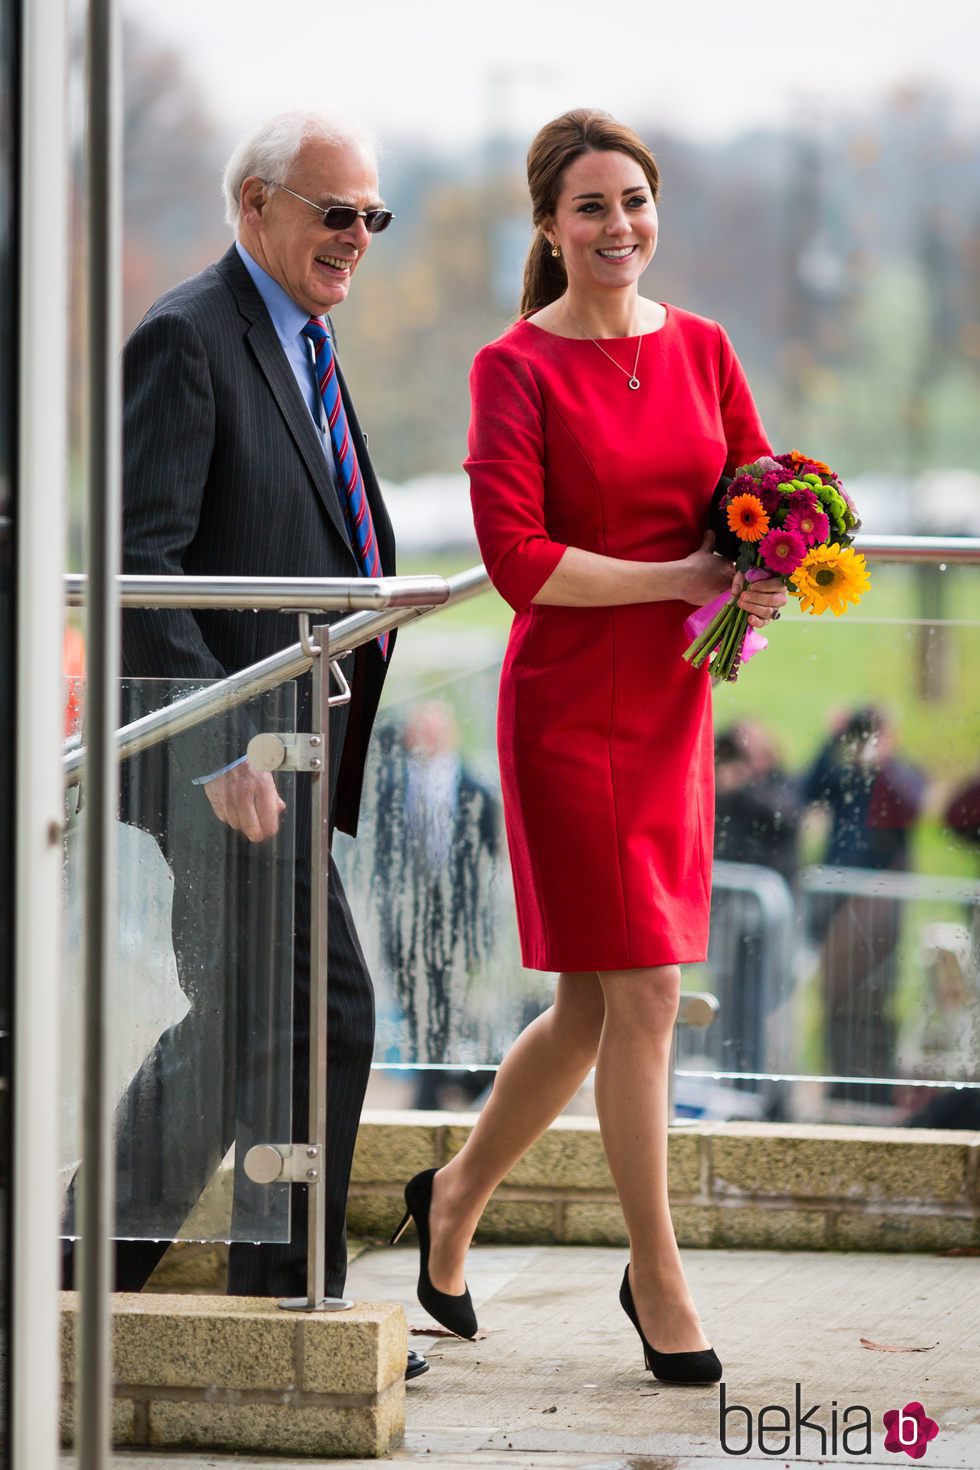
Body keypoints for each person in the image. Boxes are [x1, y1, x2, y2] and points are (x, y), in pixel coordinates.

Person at [388, 109, 786, 1383]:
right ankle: (655, 1274)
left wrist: (772, 573)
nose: (618, 227)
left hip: (670, 703)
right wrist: (681, 573)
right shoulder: (511, 367)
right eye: (590, 208)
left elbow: (761, 495)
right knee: (649, 990)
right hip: (564, 710)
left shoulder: (707, 349)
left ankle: (448, 1199)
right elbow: (516, 561)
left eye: (633, 201)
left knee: (585, 1010)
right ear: (549, 229)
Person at [63, 110, 426, 1379]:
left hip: (286, 757)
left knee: (244, 1025)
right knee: (321, 1007)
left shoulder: (302, 343)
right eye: (336, 213)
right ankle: (285, 1302)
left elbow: (315, 532)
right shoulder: (187, 336)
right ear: (256, 206)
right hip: (218, 758)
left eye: (373, 216)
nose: (356, 239)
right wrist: (215, 748)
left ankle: (83, 1261)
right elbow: (136, 563)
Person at [801, 705, 926, 1104]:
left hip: (880, 904)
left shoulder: (902, 774)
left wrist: (883, 763)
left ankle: (874, 1088)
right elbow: (806, 790)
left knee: (875, 996)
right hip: (838, 897)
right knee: (835, 994)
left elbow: (913, 806)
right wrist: (831, 739)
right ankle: (841, 1083)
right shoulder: (845, 776)